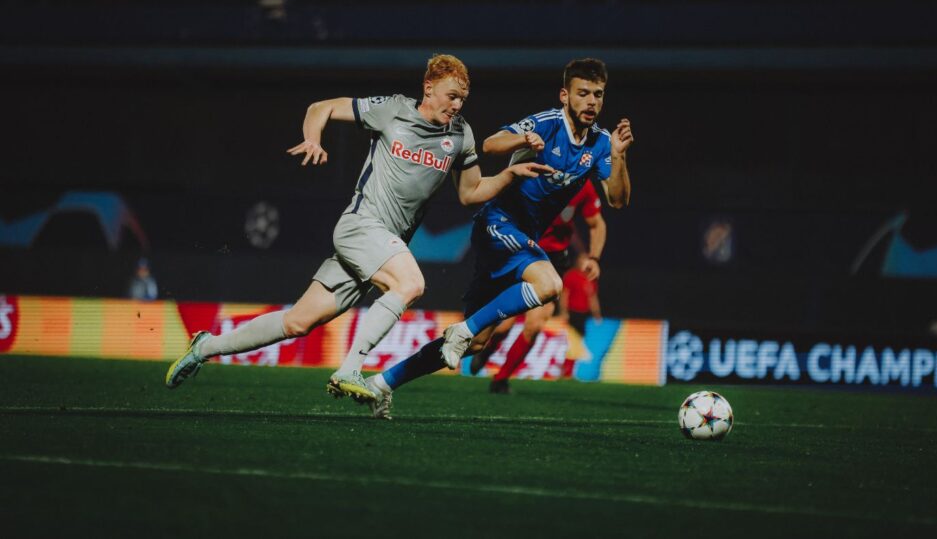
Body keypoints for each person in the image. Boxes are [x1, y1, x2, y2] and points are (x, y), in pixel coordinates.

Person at [164, 54, 552, 415]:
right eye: (451, 96)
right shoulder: (393, 109)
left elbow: (470, 193)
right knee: (411, 283)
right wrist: (314, 137)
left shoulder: (461, 134)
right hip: (361, 225)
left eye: (462, 99)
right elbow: (322, 108)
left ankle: (205, 346)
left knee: (299, 322)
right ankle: (350, 370)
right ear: (429, 87)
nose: (457, 105)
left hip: (381, 244)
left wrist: (508, 175)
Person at [359, 57, 633, 417]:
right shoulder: (548, 124)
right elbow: (490, 144)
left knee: (476, 343)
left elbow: (617, 199)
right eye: (583, 93)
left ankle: (382, 384)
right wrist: (523, 138)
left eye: (598, 95)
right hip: (498, 223)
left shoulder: (599, 143)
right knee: (550, 284)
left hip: (519, 240)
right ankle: (465, 330)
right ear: (565, 95)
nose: (592, 102)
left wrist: (618, 156)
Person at [469, 180, 605, 393]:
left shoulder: (583, 186)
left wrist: (594, 257)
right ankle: (486, 351)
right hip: (524, 254)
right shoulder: (537, 173)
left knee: (535, 325)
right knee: (504, 325)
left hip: (554, 259)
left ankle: (501, 379)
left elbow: (596, 223)